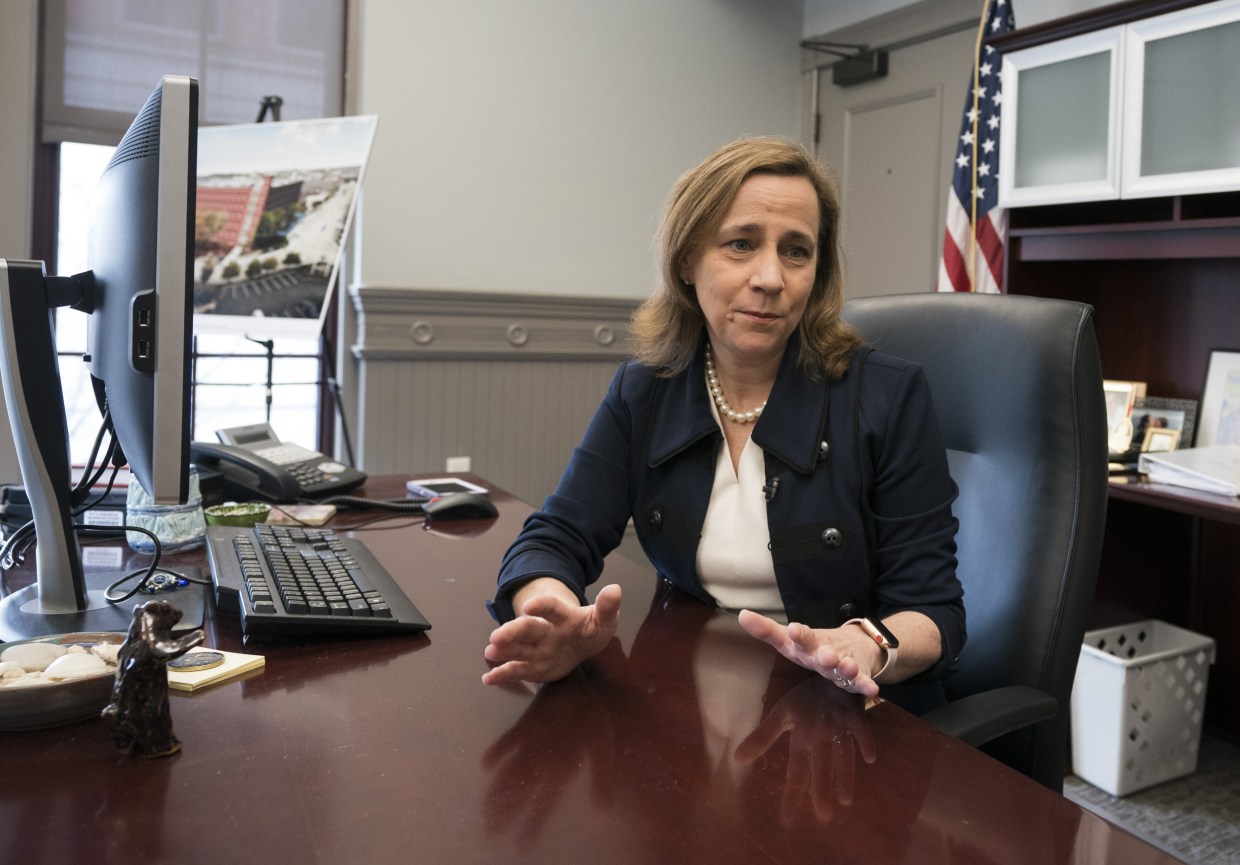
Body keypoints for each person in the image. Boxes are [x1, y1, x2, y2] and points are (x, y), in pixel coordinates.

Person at [483, 136, 965, 713]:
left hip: (848, 715)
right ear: (686, 259)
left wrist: (864, 644)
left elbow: (933, 609)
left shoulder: (888, 395)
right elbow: (559, 535)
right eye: (741, 244)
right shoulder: (645, 390)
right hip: (691, 693)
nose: (770, 278)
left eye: (796, 252)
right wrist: (549, 610)